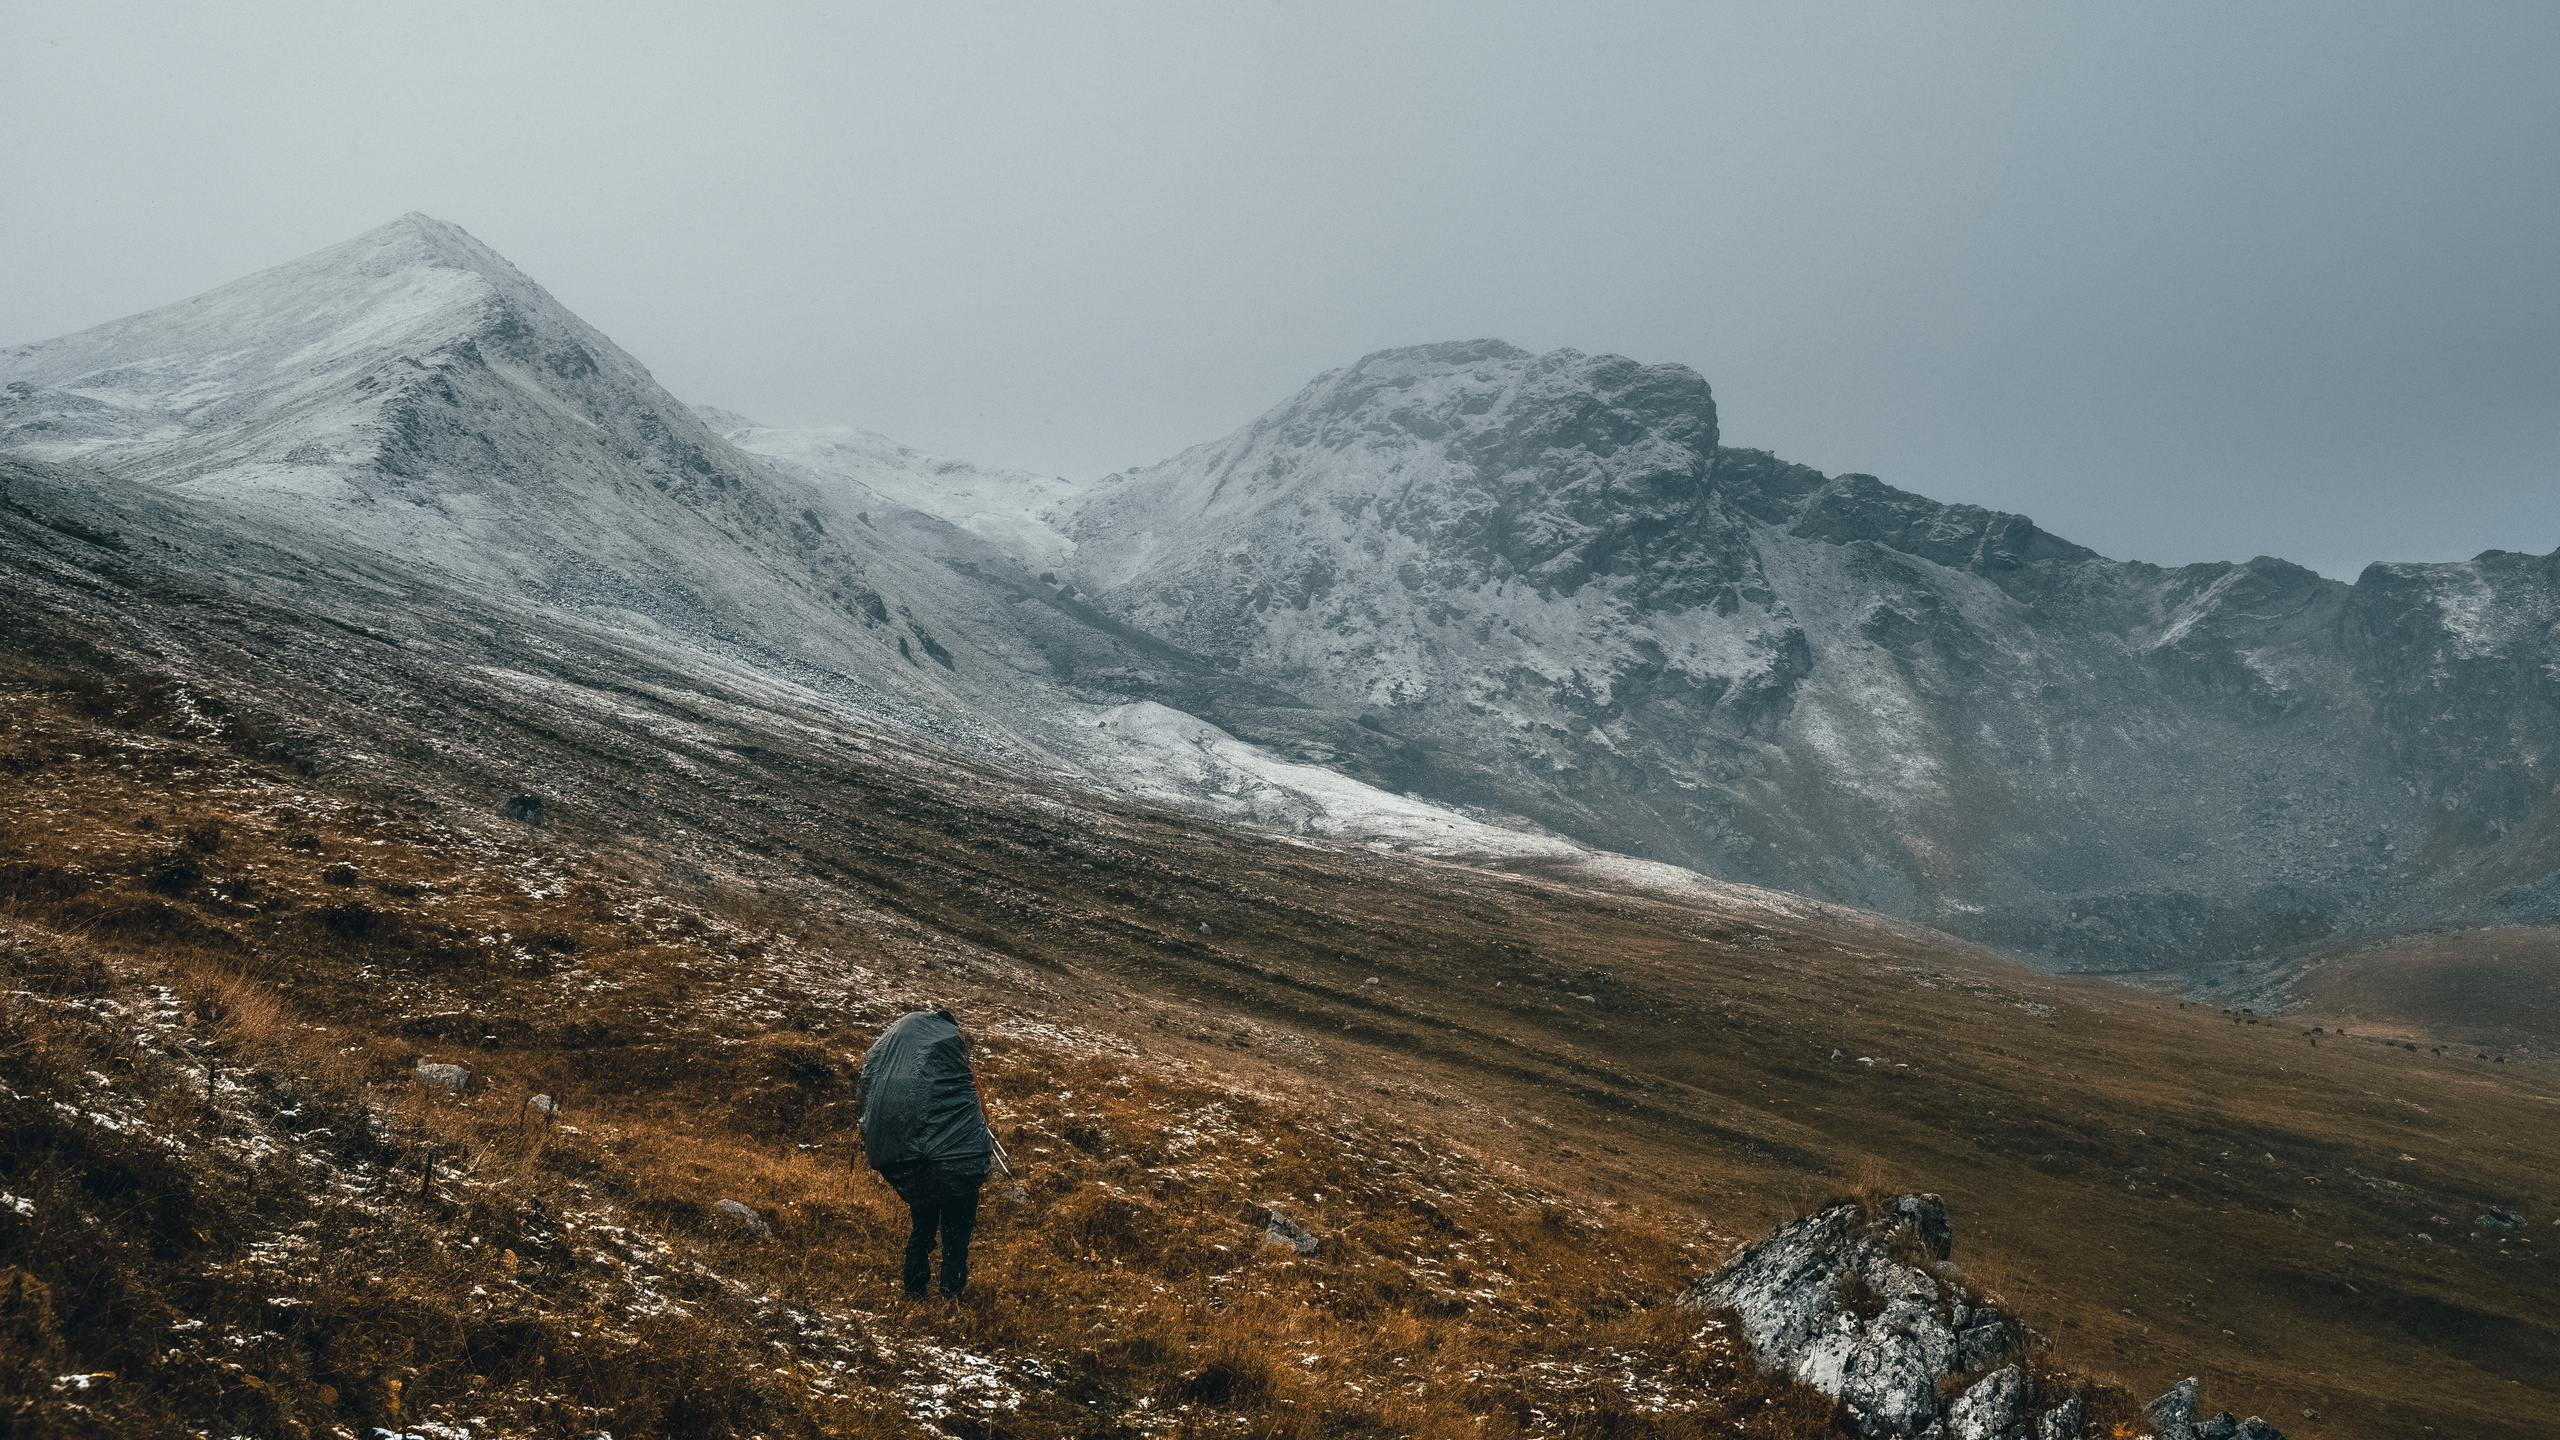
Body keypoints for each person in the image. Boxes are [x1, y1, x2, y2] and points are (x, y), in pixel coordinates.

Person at [856, 1008, 993, 1299]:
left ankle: (914, 1290)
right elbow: (982, 1116)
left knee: (922, 1229)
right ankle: (951, 1295)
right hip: (958, 1165)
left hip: (919, 1165)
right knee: (956, 1236)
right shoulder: (959, 1073)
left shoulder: (908, 1074)